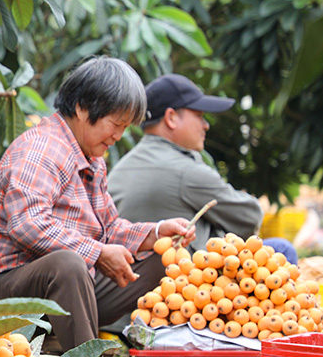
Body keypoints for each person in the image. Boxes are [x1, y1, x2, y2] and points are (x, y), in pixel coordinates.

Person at [0, 56, 195, 353]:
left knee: (164, 258)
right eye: (115, 124)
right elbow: (27, 224)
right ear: (82, 108)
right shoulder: (42, 148)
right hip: (1, 291)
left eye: (125, 127)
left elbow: (109, 228)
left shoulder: (92, 159)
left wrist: (158, 233)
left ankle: (163, 354)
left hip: (68, 291)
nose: (118, 136)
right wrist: (97, 253)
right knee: (68, 264)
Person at [107, 73, 297, 263]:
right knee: (282, 249)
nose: (205, 125)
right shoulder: (184, 170)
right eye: (199, 115)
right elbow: (250, 216)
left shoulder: (124, 165)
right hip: (177, 282)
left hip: (125, 277)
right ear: (171, 117)